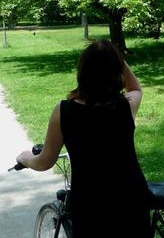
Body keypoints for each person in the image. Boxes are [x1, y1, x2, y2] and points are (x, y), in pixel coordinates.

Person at [16, 40, 152, 237]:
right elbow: (136, 88)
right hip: (131, 201)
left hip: (90, 206)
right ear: (117, 72)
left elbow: (45, 162)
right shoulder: (125, 107)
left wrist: (26, 158)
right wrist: (116, 59)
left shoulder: (64, 111)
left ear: (82, 71)